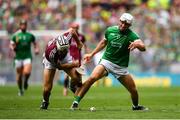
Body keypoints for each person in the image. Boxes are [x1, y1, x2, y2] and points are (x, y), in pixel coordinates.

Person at [71, 13, 148, 111]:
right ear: (120, 21)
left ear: (130, 26)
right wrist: (91, 54)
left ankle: (135, 106)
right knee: (92, 78)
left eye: (126, 24)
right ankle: (75, 102)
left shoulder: (132, 35)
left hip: (120, 67)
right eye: (122, 22)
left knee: (133, 90)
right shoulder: (110, 30)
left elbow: (143, 47)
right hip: (106, 61)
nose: (123, 25)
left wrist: (137, 45)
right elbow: (103, 42)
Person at [40, 28, 83, 109]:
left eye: (65, 49)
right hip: (52, 61)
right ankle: (45, 101)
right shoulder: (51, 53)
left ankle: (72, 85)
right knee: (47, 88)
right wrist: (74, 64)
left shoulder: (67, 38)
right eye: (62, 50)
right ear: (57, 47)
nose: (63, 51)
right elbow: (59, 67)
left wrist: (78, 42)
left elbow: (73, 31)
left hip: (65, 58)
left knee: (76, 78)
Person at [10, 19, 39, 96]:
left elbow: (35, 43)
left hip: (27, 56)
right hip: (18, 57)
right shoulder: (16, 35)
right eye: (22, 24)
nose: (23, 26)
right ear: (20, 26)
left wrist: (36, 49)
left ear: (26, 25)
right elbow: (12, 44)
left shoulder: (30, 35)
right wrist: (13, 48)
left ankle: (26, 81)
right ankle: (20, 89)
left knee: (27, 72)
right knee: (19, 76)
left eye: (25, 24)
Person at [63, 22, 87, 96]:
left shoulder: (81, 36)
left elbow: (84, 45)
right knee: (66, 75)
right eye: (74, 27)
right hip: (69, 58)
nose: (75, 29)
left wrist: (86, 53)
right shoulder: (68, 36)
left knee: (79, 75)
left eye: (77, 27)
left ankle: (77, 90)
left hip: (78, 58)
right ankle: (65, 89)